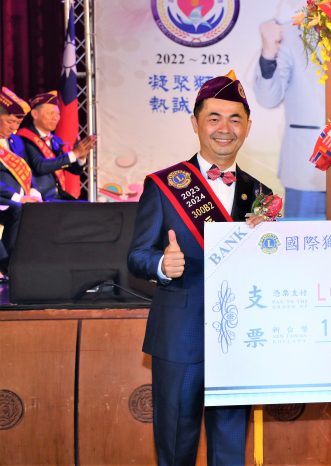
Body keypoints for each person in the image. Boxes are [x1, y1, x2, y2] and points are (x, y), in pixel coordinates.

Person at [128, 71, 270, 465]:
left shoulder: (261, 195)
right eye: (214, 118)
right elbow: (136, 256)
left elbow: (268, 268)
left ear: (248, 127)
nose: (225, 129)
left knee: (230, 449)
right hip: (181, 337)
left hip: (238, 338)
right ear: (195, 123)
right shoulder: (163, 185)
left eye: (235, 119)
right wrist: (161, 263)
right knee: (176, 444)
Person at [253, 0, 331, 219]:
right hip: (305, 165)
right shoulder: (289, 36)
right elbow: (268, 97)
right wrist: (268, 52)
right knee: (304, 241)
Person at [17, 91, 96, 200]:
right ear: (35, 114)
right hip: (38, 196)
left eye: (57, 114)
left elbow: (76, 171)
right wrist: (74, 154)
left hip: (58, 195)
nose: (55, 118)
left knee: (92, 208)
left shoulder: (56, 140)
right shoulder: (23, 137)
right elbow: (40, 166)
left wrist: (80, 157)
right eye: (50, 113)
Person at [0, 87, 42, 274]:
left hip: (18, 198)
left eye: (17, 123)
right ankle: (7, 265)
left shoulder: (16, 141)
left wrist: (34, 191)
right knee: (18, 209)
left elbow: (27, 170)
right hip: (6, 199)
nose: (14, 127)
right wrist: (18, 197)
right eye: (10, 122)